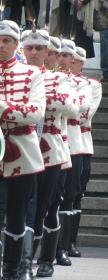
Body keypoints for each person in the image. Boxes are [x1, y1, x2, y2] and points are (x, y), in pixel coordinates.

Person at [0, 19, 46, 279]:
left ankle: (13, 271)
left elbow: (36, 113)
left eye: (6, 40)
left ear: (17, 44)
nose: (1, 45)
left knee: (17, 218)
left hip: (25, 155)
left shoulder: (33, 73)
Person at [19, 29, 75, 280]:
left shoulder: (59, 78)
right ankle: (23, 263)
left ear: (47, 53)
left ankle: (45, 260)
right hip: (19, 150)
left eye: (39, 49)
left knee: (46, 208)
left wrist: (35, 99)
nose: (33, 53)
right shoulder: (16, 76)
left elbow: (72, 105)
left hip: (50, 151)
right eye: (29, 48)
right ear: (22, 50)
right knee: (23, 209)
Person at [55, 39, 92, 267]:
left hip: (74, 145)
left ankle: (62, 247)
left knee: (69, 196)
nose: (60, 59)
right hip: (48, 143)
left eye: (65, 55)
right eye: (57, 54)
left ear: (74, 60)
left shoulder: (87, 84)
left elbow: (83, 112)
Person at [67, 47, 102, 258]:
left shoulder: (92, 85)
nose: (68, 64)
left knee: (76, 194)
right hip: (58, 143)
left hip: (81, 143)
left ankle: (70, 241)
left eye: (73, 61)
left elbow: (85, 114)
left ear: (81, 63)